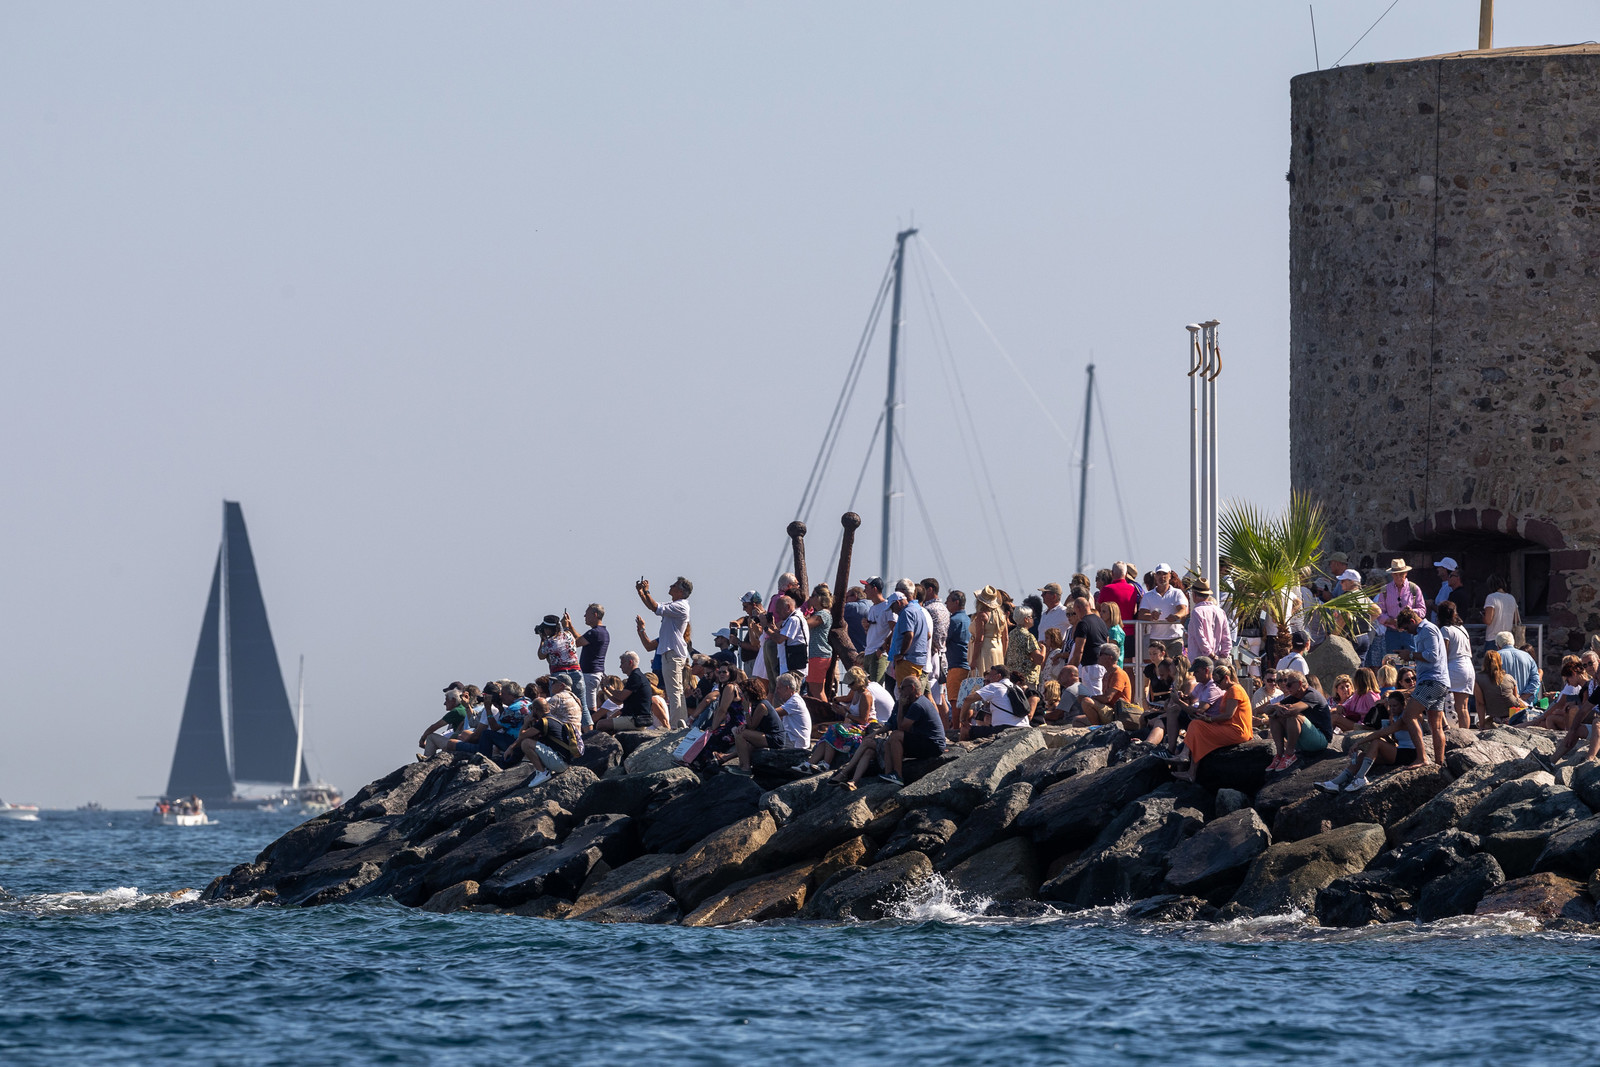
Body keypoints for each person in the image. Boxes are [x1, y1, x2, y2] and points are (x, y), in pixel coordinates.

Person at [833, 674, 947, 788]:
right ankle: (887, 776)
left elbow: (901, 728)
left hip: (932, 744)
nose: (899, 691)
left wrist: (902, 707)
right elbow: (891, 723)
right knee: (885, 743)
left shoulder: (918, 704)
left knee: (894, 736)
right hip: (917, 739)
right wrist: (874, 734)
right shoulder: (901, 702)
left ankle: (897, 775)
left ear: (912, 688)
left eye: (902, 688)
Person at [1318, 690, 1418, 792]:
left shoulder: (1405, 719)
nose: (1392, 709)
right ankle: (1335, 783)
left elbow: (1380, 733)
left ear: (1403, 705)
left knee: (1376, 742)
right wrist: (1388, 736)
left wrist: (1358, 742)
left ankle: (1360, 778)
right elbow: (1394, 741)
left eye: (1395, 706)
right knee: (1362, 756)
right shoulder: (1395, 718)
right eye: (1390, 706)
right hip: (1400, 751)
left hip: (1409, 754)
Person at [1170, 662, 1253, 783]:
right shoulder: (1230, 689)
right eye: (1215, 683)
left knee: (1196, 725)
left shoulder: (1235, 690)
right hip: (1229, 727)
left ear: (1226, 678)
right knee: (1197, 725)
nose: (1217, 685)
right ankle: (1190, 770)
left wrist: (1209, 719)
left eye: (1218, 682)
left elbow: (1228, 715)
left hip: (1237, 731)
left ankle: (1187, 761)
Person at [801, 666, 893, 772]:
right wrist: (841, 709)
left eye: (851, 684)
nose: (849, 686)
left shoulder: (865, 695)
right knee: (826, 736)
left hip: (864, 728)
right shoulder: (857, 693)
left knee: (833, 729)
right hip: (855, 725)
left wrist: (845, 714)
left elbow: (863, 720)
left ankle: (825, 764)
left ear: (859, 681)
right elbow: (853, 710)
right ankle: (808, 764)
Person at [636, 576, 693, 727]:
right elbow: (653, 606)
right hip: (672, 652)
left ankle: (676, 724)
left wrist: (647, 591)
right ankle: (681, 721)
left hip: (673, 651)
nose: (670, 586)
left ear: (680, 591)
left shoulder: (680, 606)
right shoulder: (676, 604)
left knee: (673, 690)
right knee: (676, 689)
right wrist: (642, 594)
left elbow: (655, 607)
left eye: (674, 585)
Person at [1396, 607, 1451, 765]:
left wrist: (1410, 655)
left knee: (1408, 716)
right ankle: (1440, 764)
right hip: (1439, 681)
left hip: (1432, 680)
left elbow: (1433, 656)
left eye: (1407, 628)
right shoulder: (1422, 631)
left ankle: (1422, 758)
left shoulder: (1427, 630)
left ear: (1413, 621)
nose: (1407, 632)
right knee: (1436, 726)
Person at [731, 671, 810, 775]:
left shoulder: (791, 702)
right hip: (785, 736)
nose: (776, 691)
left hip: (789, 739)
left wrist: (746, 709)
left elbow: (755, 724)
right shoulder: (759, 704)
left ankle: (745, 768)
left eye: (778, 688)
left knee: (741, 734)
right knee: (748, 740)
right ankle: (734, 761)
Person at [1264, 669, 1333, 771]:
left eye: (1289, 685)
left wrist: (1278, 708)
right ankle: (1279, 755)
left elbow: (1292, 710)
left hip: (1320, 740)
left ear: (1300, 683)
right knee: (1274, 717)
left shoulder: (1312, 694)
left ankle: (1289, 754)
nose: (1286, 687)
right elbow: (1267, 710)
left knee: (1294, 716)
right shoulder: (1294, 696)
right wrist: (1276, 707)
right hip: (1305, 738)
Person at [957, 664, 1032, 740]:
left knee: (965, 730)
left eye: (991, 676)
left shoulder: (995, 686)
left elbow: (968, 699)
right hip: (1024, 727)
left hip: (1004, 729)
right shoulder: (1017, 688)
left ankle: (959, 751)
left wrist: (963, 720)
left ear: (998, 676)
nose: (989, 679)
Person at [512, 711, 583, 787]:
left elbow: (522, 736)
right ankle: (544, 770)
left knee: (526, 743)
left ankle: (542, 773)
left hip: (559, 764)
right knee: (531, 743)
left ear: (536, 709)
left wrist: (526, 722)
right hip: (564, 762)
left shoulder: (543, 722)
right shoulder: (553, 719)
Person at [591, 651, 655, 733]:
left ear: (630, 662)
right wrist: (606, 691)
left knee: (601, 724)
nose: (620, 666)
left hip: (635, 719)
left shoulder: (636, 676)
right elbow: (619, 701)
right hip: (638, 718)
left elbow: (621, 696)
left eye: (622, 663)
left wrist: (608, 686)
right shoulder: (638, 676)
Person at [1437, 601, 1476, 729]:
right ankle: (1466, 734)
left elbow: (1444, 653)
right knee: (1463, 707)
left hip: (1455, 666)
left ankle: (1444, 727)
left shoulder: (1445, 629)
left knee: (1437, 700)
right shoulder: (1462, 629)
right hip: (1468, 666)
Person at [1135, 564, 1189, 658]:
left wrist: (1176, 616)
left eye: (1164, 574)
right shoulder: (1148, 596)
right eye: (1159, 574)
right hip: (1156, 638)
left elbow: (1183, 610)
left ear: (1170, 576)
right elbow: (1141, 614)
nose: (1162, 577)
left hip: (1174, 638)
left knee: (1175, 669)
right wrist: (1151, 616)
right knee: (1157, 668)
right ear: (1155, 576)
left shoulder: (1177, 593)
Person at [1375, 559, 1426, 657]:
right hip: (1392, 633)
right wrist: (1390, 621)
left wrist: (1410, 613)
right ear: (1392, 575)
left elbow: (1422, 610)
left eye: (1401, 574)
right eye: (1395, 574)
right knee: (1393, 662)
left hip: (1411, 632)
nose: (1398, 577)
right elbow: (1379, 612)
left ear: (1406, 573)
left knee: (1412, 663)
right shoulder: (1385, 590)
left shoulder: (1414, 589)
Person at [966, 585, 1008, 703]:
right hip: (998, 648)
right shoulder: (1002, 616)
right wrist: (1003, 655)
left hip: (985, 649)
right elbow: (1006, 639)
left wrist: (973, 660)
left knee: (983, 679)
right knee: (997, 680)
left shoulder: (982, 615)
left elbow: (979, 639)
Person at [571, 604, 609, 728]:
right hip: (596, 673)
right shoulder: (603, 632)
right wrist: (570, 626)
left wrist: (568, 628)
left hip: (589, 674)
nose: (584, 616)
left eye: (587, 614)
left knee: (588, 708)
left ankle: (591, 731)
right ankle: (593, 729)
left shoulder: (594, 632)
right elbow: (582, 639)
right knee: (590, 705)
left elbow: (576, 643)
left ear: (595, 615)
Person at [1076, 643, 1133, 726]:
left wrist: (1089, 697)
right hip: (1108, 709)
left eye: (1101, 654)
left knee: (1086, 701)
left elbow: (1107, 698)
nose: (1098, 656)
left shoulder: (1118, 674)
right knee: (1077, 721)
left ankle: (1097, 730)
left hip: (1118, 712)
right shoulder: (1107, 673)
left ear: (1110, 657)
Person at [1184, 578, 1232, 665]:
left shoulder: (1197, 611)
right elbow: (1227, 637)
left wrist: (1211, 655)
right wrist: (1223, 656)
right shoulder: (1220, 611)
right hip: (1217, 658)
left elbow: (1200, 637)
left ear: (1194, 595)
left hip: (1199, 660)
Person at [535, 614, 584, 699]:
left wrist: (543, 639)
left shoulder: (549, 642)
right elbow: (565, 632)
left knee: (558, 703)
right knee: (582, 704)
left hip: (559, 674)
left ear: (548, 629)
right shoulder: (569, 635)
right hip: (576, 672)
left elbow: (541, 656)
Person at [888, 588, 932, 682]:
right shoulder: (918, 611)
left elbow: (909, 635)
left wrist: (901, 654)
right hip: (918, 660)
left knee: (906, 692)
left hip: (907, 661)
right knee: (914, 690)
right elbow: (928, 635)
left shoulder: (906, 613)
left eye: (892, 607)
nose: (893, 611)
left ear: (898, 603)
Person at [1473, 649, 1525, 728]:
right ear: (1500, 662)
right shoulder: (1509, 678)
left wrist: (1482, 726)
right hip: (1513, 716)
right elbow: (1516, 698)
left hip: (1495, 716)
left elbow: (1480, 703)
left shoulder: (1478, 678)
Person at [919, 578, 950, 709]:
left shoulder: (928, 609)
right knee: (940, 695)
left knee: (930, 694)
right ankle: (944, 727)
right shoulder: (944, 608)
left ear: (930, 589)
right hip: (942, 654)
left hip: (932, 656)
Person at [417, 687, 472, 759]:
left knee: (431, 737)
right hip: (464, 742)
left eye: (446, 700)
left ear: (453, 700)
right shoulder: (463, 708)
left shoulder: (457, 711)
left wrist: (422, 739)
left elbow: (434, 727)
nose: (444, 703)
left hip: (458, 743)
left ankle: (427, 759)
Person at [859, 577, 894, 684]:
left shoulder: (887, 607)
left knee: (876, 687)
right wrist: (866, 627)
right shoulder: (873, 608)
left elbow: (895, 629)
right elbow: (873, 631)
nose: (864, 591)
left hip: (879, 654)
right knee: (870, 686)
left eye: (866, 587)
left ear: (874, 589)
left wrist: (882, 649)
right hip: (870, 652)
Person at [1095, 562, 1140, 644]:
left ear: (1112, 574)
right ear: (1126, 574)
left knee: (1109, 656)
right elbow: (1134, 610)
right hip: (1128, 631)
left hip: (1110, 631)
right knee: (1127, 657)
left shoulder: (1106, 589)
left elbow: (1098, 608)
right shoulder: (1133, 590)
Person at [944, 590, 971, 723]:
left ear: (956, 602)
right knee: (967, 700)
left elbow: (944, 639)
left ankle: (956, 729)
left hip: (956, 665)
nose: (945, 603)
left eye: (948, 601)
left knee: (955, 700)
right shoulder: (968, 619)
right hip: (967, 664)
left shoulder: (954, 620)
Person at [1492, 631, 1541, 703]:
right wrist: (1522, 698)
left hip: (1502, 704)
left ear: (1498, 645)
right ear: (1513, 642)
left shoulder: (1495, 656)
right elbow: (1536, 680)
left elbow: (1490, 681)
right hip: (1524, 705)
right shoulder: (1527, 656)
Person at [803, 584, 834, 696]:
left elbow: (806, 624)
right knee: (814, 689)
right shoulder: (819, 614)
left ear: (820, 598)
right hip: (816, 655)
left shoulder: (823, 614)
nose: (810, 598)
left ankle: (824, 712)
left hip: (819, 654)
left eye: (813, 595)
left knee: (817, 690)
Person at [1331, 668, 1382, 732]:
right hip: (1354, 721)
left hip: (1363, 726)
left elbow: (1375, 713)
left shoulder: (1370, 695)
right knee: (1333, 713)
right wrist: (1342, 706)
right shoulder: (1358, 693)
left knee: (1335, 718)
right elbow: (1348, 704)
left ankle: (1326, 736)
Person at [1067, 595, 1110, 667]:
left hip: (1090, 667)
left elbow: (1079, 651)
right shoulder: (1101, 621)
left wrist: (1072, 668)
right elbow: (1107, 641)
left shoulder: (1083, 623)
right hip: (1102, 665)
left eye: (1075, 612)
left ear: (1078, 609)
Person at [1006, 604, 1042, 687]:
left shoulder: (1011, 634)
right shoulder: (1028, 636)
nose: (1033, 619)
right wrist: (1043, 649)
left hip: (1013, 677)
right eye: (1031, 617)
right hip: (1027, 678)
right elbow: (1038, 659)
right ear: (1026, 619)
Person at [1483, 575, 1521, 648]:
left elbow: (1488, 620)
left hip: (1493, 638)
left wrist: (1482, 617)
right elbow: (1516, 619)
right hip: (1508, 638)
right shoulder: (1511, 598)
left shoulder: (1491, 597)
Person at [1097, 601, 1125, 666]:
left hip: (1114, 665)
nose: (1100, 614)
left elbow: (1110, 650)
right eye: (1100, 611)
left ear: (1112, 614)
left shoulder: (1114, 631)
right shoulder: (1107, 628)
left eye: (1104, 612)